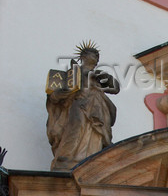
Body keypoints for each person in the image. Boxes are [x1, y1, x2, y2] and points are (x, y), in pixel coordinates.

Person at [46, 41, 119, 170]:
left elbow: (115, 89)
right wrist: (63, 93)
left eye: (97, 56)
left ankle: (93, 159)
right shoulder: (73, 72)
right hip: (79, 103)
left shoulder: (98, 75)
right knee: (76, 127)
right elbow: (55, 95)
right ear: (84, 56)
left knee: (97, 133)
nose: (96, 58)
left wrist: (106, 77)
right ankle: (67, 158)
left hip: (98, 105)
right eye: (94, 55)